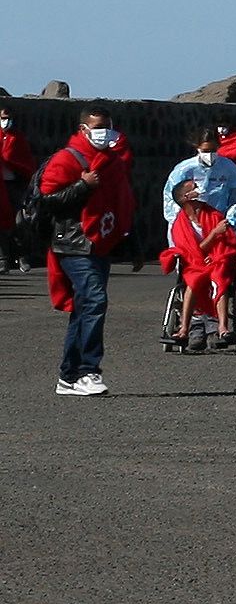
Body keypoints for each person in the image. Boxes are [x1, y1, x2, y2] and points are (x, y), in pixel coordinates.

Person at [40, 105, 135, 398]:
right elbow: (47, 199)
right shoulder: (66, 159)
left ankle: (68, 376)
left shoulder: (112, 161)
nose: (104, 132)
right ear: (83, 129)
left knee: (84, 309)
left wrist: (133, 243)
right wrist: (83, 185)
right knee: (94, 300)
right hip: (72, 243)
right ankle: (87, 370)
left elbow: (124, 203)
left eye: (108, 126)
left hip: (99, 243)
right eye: (97, 127)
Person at [162, 129, 236, 348]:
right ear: (197, 148)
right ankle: (193, 325)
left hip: (219, 227)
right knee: (191, 278)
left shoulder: (229, 170)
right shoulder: (184, 170)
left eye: (213, 150)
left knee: (220, 276)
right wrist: (183, 222)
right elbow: (171, 199)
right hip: (189, 233)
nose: (209, 154)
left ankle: (217, 326)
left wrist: (230, 222)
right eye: (205, 150)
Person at [161, 178, 236, 349]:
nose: (200, 189)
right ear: (186, 197)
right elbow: (192, 250)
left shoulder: (214, 215)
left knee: (219, 277)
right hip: (194, 263)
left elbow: (226, 243)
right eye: (195, 187)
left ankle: (223, 328)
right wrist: (214, 234)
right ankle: (183, 329)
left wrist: (216, 254)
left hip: (216, 261)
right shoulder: (179, 225)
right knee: (193, 281)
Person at [0, 104, 37, 272]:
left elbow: (25, 161)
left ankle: (22, 256)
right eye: (2, 118)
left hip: (14, 185)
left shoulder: (17, 138)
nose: (5, 122)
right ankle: (3, 260)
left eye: (7, 118)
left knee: (19, 222)